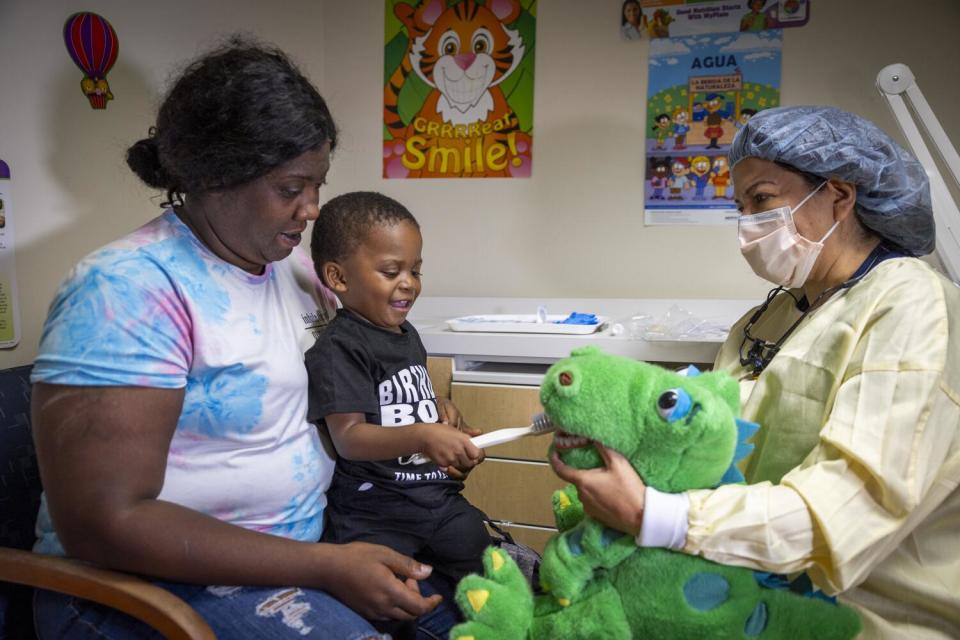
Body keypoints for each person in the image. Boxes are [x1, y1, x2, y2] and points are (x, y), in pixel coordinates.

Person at [30, 38, 459, 640]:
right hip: (139, 586)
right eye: (291, 189)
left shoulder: (299, 271)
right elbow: (103, 523)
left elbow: (358, 373)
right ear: (214, 175)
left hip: (317, 544)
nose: (312, 209)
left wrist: (419, 403)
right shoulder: (126, 289)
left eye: (318, 185)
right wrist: (326, 567)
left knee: (500, 611)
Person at [551, 105, 960, 639]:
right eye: (740, 207)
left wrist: (660, 516)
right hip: (745, 591)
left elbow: (851, 509)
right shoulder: (770, 316)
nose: (747, 225)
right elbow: (705, 445)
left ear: (839, 196)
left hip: (869, 616)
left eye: (762, 200)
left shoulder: (911, 301)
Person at [307, 191, 490, 635]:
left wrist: (441, 412)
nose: (409, 282)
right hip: (376, 510)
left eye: (415, 269)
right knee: (384, 603)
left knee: (482, 551)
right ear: (338, 278)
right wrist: (424, 435)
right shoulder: (341, 347)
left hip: (432, 498)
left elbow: (405, 400)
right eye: (392, 271)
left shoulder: (404, 334)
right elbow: (350, 437)